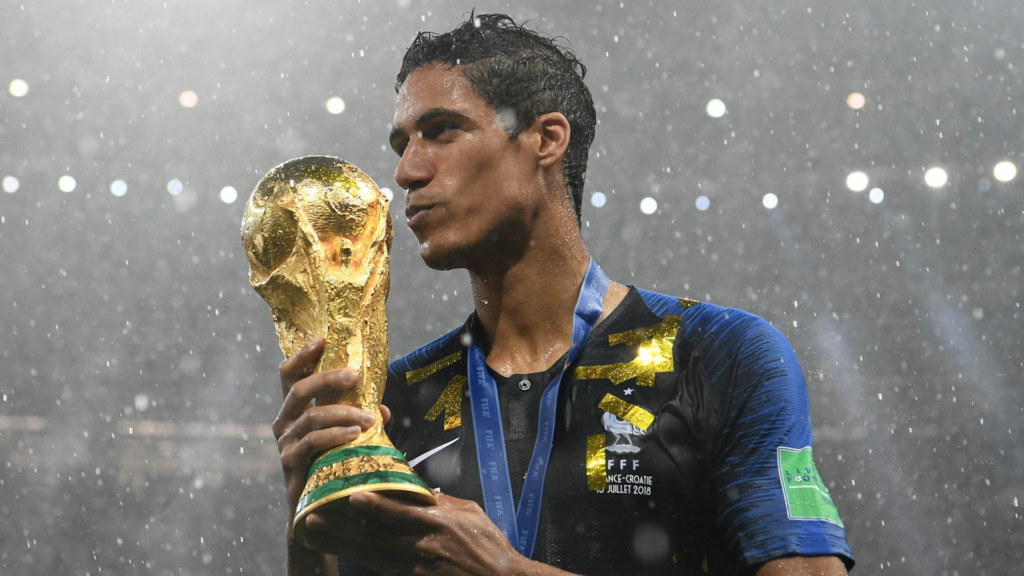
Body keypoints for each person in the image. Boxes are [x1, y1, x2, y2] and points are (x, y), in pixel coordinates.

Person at [271, 13, 855, 576]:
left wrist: (506, 573)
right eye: (402, 143)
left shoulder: (719, 356)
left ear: (546, 140)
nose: (407, 171)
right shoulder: (393, 400)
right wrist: (308, 511)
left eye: (442, 131)